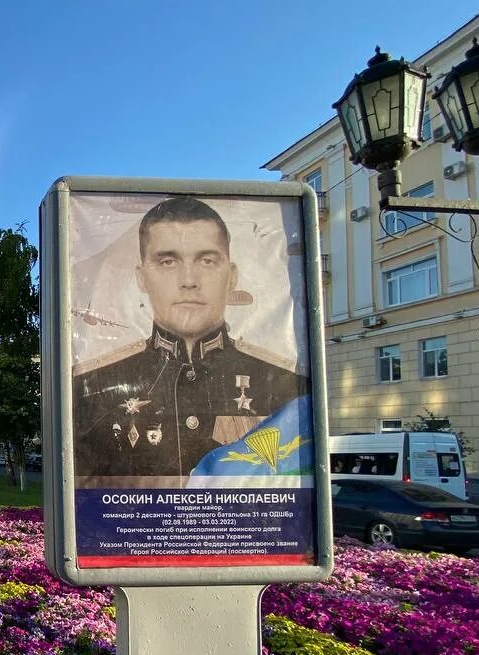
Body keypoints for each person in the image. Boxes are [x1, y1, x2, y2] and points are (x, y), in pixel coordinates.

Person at [73, 196, 307, 479]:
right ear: (142, 277)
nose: (189, 280)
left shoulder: (284, 386)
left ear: (231, 276)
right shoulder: (93, 385)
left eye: (207, 260)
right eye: (168, 261)